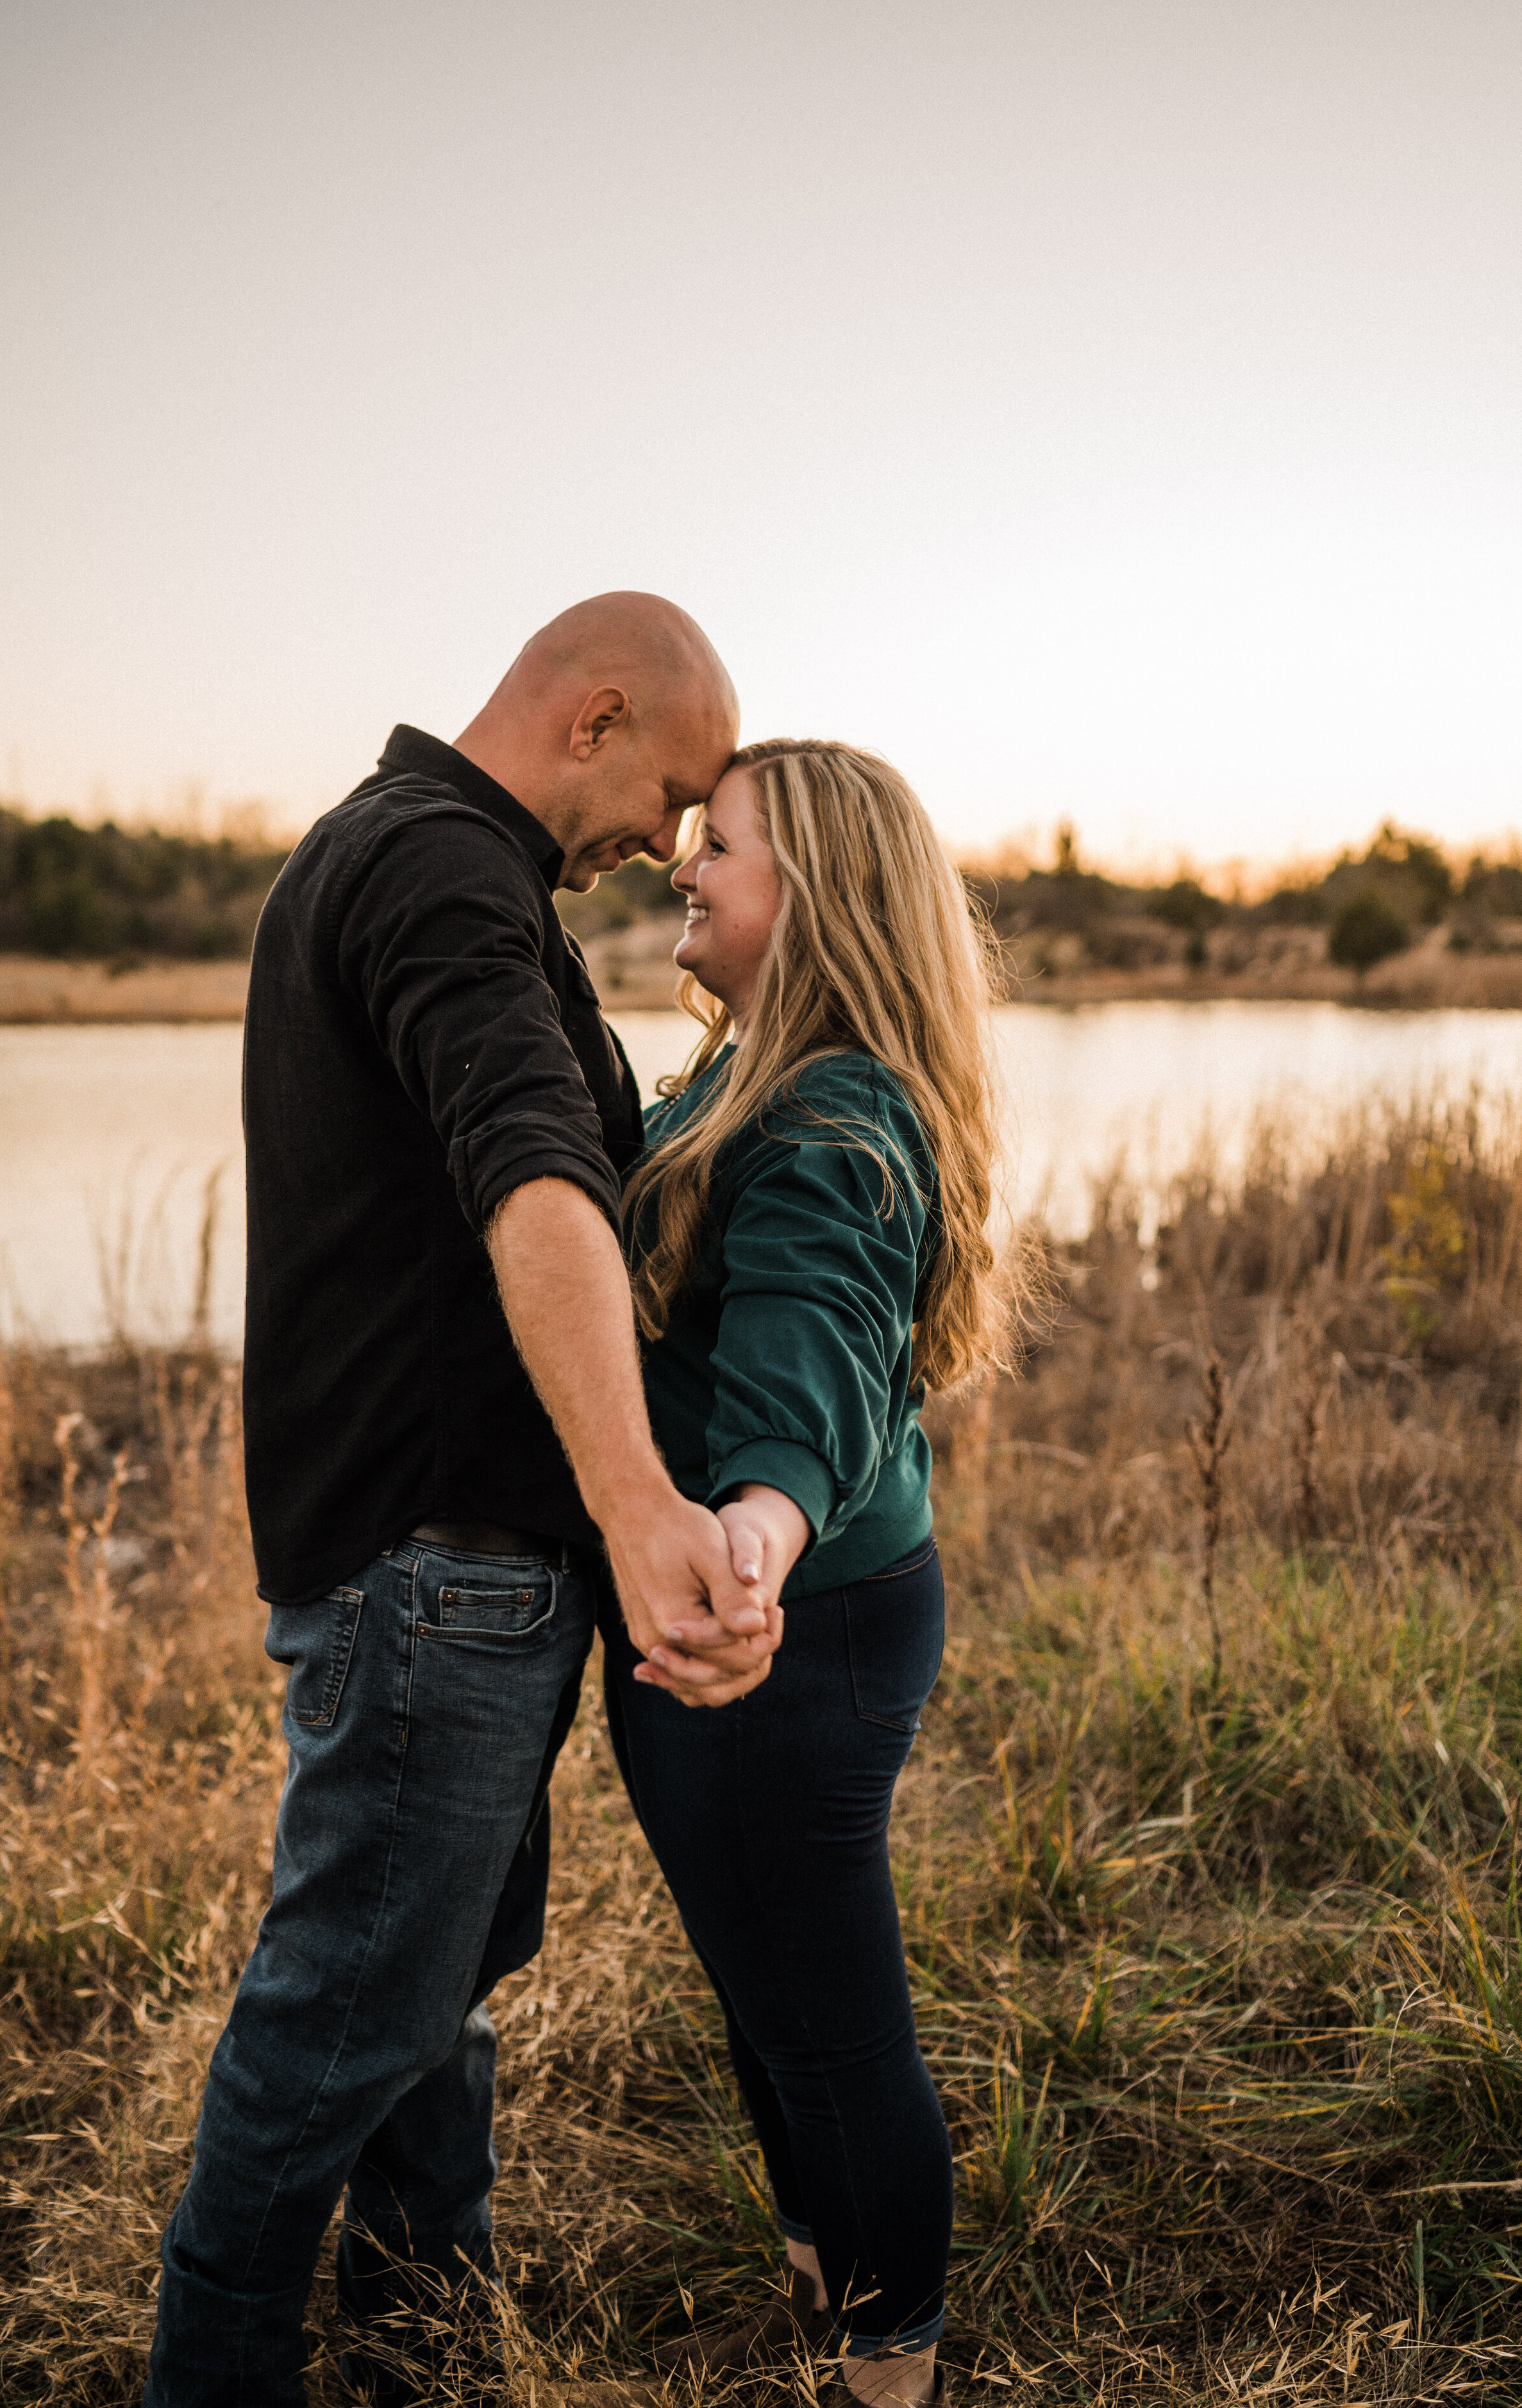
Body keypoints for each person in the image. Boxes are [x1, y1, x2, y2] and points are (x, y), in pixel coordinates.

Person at [144, 594, 784, 2408]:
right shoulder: (439, 869)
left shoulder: (409, 856)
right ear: (588, 717)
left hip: (429, 1569)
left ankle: (428, 2360)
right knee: (337, 2025)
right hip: (439, 1573)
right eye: (665, 793)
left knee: (427, 2013)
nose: (665, 843)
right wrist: (641, 1496)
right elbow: (531, 1173)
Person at [603, 740, 1007, 2408]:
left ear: (819, 894)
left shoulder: (835, 1110)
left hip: (789, 1629)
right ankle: (823, 2283)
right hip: (771, 1615)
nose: (683, 866)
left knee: (829, 2024)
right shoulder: (753, 1069)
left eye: (723, 846)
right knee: (772, 1992)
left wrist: (746, 1550)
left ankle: (887, 2363)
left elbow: (811, 1371)